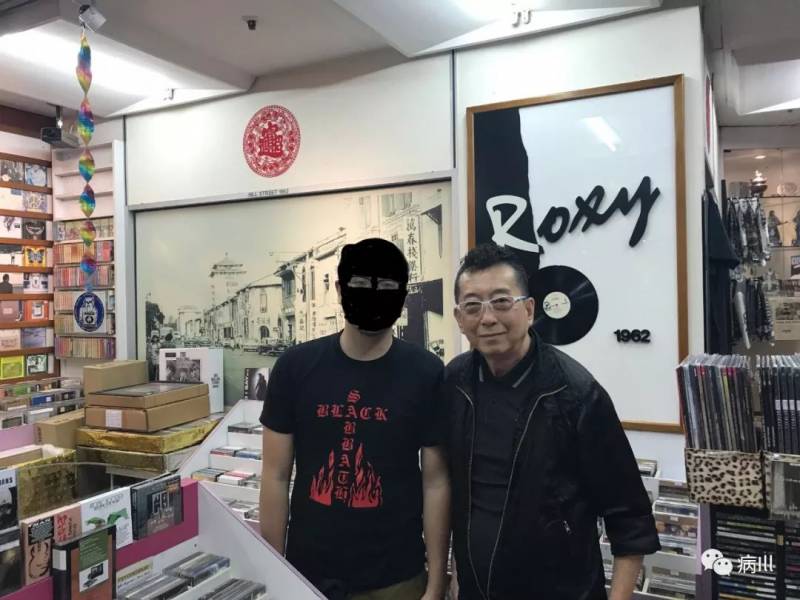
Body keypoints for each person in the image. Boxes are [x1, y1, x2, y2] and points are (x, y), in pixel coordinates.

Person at [445, 243, 659, 600]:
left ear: (529, 309)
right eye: (473, 306)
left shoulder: (577, 394)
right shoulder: (455, 382)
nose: (487, 318)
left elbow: (630, 520)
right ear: (459, 318)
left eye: (501, 302)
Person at [259, 238, 450, 600]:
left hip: (397, 576)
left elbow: (436, 482)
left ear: (403, 294)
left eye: (388, 286)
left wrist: (437, 581)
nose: (374, 295)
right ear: (340, 288)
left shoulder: (426, 373)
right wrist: (272, 571)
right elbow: (275, 476)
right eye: (361, 284)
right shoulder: (295, 367)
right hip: (307, 573)